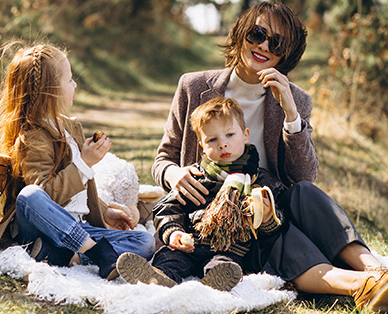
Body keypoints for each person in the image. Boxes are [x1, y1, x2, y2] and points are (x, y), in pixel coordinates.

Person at [150, 1, 388, 313]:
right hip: (216, 216)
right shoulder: (194, 86)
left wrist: (291, 115)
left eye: (277, 42)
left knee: (305, 193)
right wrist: (174, 175)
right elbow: (163, 158)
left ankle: (376, 272)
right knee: (281, 236)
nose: (264, 46)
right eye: (258, 33)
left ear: (287, 54)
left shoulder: (296, 99)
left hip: (273, 204)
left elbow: (303, 176)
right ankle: (365, 287)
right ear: (242, 32)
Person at [0, 42, 155, 280]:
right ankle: (97, 254)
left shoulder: (70, 130)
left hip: (76, 229)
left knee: (145, 242)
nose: (75, 85)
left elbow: (79, 197)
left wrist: (106, 212)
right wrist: (84, 164)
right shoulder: (32, 136)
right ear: (49, 91)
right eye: (69, 80)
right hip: (40, 226)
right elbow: (46, 195)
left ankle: (62, 255)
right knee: (30, 195)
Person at [118, 97, 285, 292]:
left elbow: (278, 222)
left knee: (224, 264)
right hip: (189, 242)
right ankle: (159, 278)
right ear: (202, 146)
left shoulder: (260, 181)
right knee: (170, 257)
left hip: (229, 249)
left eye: (230, 135)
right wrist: (173, 233)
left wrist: (266, 217)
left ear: (246, 135)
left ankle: (217, 281)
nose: (222, 144)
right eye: (212, 140)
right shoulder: (195, 176)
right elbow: (168, 207)